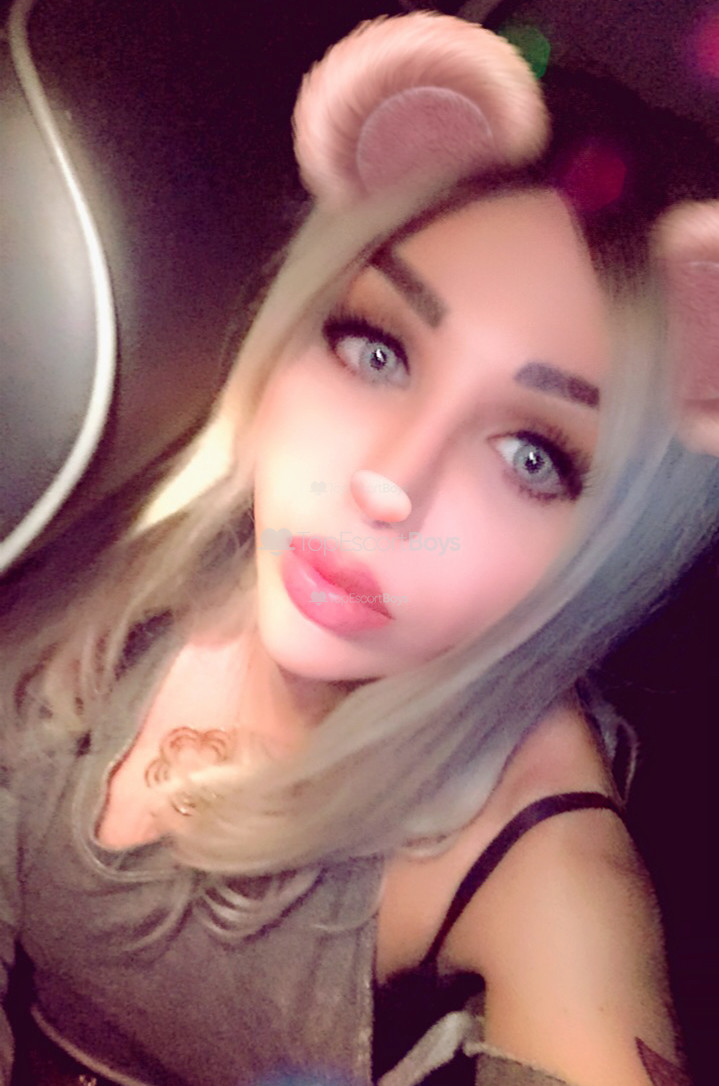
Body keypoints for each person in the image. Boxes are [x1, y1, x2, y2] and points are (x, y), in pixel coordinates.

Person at [1, 12, 719, 1086]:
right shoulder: (139, 487)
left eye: (531, 456)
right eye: (375, 349)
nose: (387, 482)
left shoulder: (539, 876)